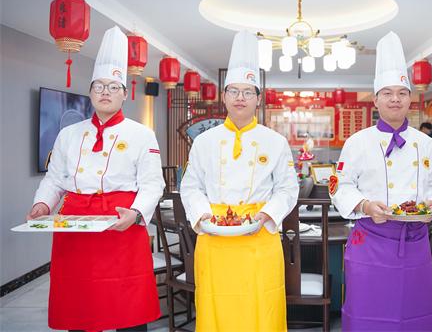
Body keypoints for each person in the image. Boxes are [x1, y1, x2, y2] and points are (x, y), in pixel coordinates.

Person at [27, 26, 165, 331]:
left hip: (121, 224)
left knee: (127, 308)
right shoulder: (68, 134)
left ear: (125, 94)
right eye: (99, 86)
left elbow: (153, 183)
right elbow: (55, 179)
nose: (105, 92)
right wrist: (42, 204)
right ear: (90, 92)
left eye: (113, 87)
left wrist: (136, 214)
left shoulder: (142, 134)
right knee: (80, 307)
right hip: (75, 227)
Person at [180, 30, 299, 331]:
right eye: (234, 91)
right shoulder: (204, 141)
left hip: (259, 236)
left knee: (262, 308)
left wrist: (267, 214)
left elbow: (288, 188)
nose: (240, 98)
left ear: (258, 98)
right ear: (224, 97)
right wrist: (202, 214)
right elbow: (191, 186)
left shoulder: (275, 141)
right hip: (214, 236)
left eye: (248, 92)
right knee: (217, 308)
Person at [331, 32, 432, 331]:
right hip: (371, 240)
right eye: (387, 93)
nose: (395, 99)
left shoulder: (426, 143)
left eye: (402, 93)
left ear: (410, 98)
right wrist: (365, 205)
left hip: (415, 241)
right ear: (376, 99)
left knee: (414, 313)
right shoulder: (357, 142)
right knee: (367, 313)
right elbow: (340, 185)